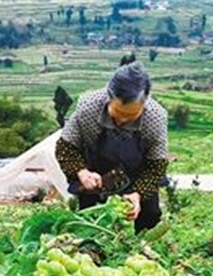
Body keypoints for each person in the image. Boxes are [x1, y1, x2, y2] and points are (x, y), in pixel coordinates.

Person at [55, 62, 168, 233]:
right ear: (108, 97)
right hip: (96, 174)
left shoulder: (155, 118)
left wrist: (137, 194)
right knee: (89, 219)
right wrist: (82, 172)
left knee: (149, 215)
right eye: (118, 112)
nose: (123, 121)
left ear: (144, 104)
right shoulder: (88, 108)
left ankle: (142, 250)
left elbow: (156, 165)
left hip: (138, 174)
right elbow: (66, 147)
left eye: (131, 116)